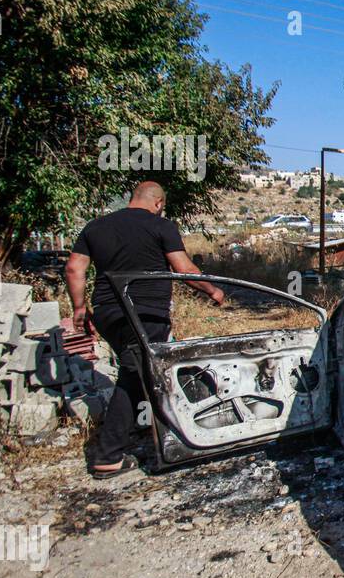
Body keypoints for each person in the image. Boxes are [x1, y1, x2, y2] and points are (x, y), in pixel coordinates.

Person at [65, 181, 225, 478]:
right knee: (133, 375)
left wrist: (78, 307)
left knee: (140, 370)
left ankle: (151, 427)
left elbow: (75, 268)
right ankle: (108, 456)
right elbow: (184, 269)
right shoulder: (161, 226)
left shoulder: (95, 227)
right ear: (159, 203)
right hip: (145, 314)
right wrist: (213, 290)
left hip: (107, 314)